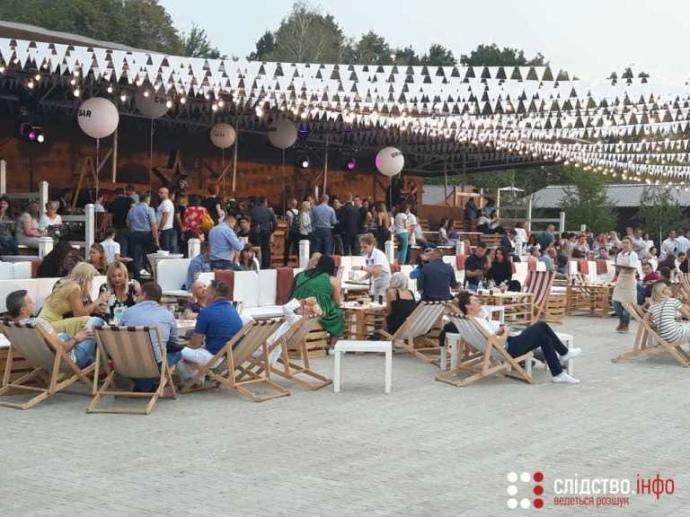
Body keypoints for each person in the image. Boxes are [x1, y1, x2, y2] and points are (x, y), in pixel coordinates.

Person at [455, 291, 581, 384]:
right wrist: (505, 331)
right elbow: (498, 341)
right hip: (510, 349)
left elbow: (488, 339)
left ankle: (558, 373)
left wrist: (500, 330)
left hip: (503, 346)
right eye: (475, 300)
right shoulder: (478, 322)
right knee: (541, 325)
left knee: (544, 337)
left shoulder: (471, 322)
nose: (479, 302)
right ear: (467, 306)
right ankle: (564, 354)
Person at [6, 289, 102, 368]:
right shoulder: (38, 324)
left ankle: (95, 364)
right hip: (68, 361)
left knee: (64, 336)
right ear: (23, 310)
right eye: (30, 302)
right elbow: (62, 349)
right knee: (96, 320)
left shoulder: (11, 326)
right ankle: (100, 364)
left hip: (41, 362)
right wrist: (76, 338)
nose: (33, 303)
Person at [119, 282, 182, 392]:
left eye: (138, 294)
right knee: (177, 353)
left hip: (126, 364)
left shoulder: (127, 312)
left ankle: (143, 384)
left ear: (143, 295)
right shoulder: (167, 315)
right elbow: (174, 341)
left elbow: (119, 335)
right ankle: (146, 385)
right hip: (154, 366)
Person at [177, 280, 244, 378]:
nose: (205, 293)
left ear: (212, 295)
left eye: (206, 291)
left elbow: (194, 345)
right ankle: (199, 375)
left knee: (174, 353)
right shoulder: (232, 309)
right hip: (231, 355)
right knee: (191, 352)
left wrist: (184, 346)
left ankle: (192, 379)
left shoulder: (206, 312)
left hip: (215, 357)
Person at [38, 262, 110, 336]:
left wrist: (95, 307)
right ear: (86, 278)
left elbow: (83, 309)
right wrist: (98, 300)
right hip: (48, 324)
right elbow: (80, 314)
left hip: (45, 323)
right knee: (88, 320)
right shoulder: (74, 288)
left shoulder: (69, 284)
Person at [291, 255, 344, 341]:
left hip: (296, 309)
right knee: (338, 314)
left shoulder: (301, 275)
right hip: (317, 311)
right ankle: (332, 345)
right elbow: (337, 302)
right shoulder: (332, 280)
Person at [127, 193, 158, 280]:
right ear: (147, 200)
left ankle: (137, 277)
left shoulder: (132, 209)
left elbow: (128, 222)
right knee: (150, 255)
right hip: (147, 234)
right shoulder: (149, 209)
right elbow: (153, 225)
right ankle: (152, 274)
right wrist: (156, 239)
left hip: (135, 234)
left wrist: (132, 229)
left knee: (136, 256)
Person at [612, 236, 639, 333]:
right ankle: (622, 320)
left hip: (630, 279)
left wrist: (624, 267)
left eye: (627, 243)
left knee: (628, 304)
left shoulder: (633, 255)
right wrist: (618, 268)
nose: (625, 245)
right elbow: (618, 268)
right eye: (623, 243)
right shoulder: (620, 254)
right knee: (615, 302)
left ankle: (626, 324)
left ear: (631, 245)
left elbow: (633, 267)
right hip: (621, 278)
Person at [359, 233, 392, 299]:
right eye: (361, 247)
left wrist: (362, 268)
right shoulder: (367, 256)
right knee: (375, 302)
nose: (363, 249)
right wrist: (360, 280)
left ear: (372, 245)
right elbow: (370, 273)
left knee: (381, 301)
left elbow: (377, 271)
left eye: (365, 247)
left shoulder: (378, 254)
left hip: (384, 282)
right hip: (376, 282)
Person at [248, 196, 277, 269]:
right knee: (266, 249)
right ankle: (265, 266)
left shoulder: (252, 211)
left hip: (255, 232)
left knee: (255, 248)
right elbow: (275, 223)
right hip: (266, 232)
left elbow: (249, 222)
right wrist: (271, 230)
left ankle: (254, 265)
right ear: (265, 202)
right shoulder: (269, 211)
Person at [110, 187, 134, 258]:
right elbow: (133, 210)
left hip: (116, 226)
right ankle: (124, 261)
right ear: (123, 193)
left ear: (115, 194)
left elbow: (109, 216)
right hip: (126, 226)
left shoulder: (113, 202)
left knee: (116, 246)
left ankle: (117, 260)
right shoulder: (129, 200)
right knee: (125, 245)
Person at [156, 187, 177, 253]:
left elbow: (165, 216)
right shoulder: (164, 202)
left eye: (161, 193)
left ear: (166, 193)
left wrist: (159, 230)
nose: (159, 194)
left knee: (165, 250)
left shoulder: (166, 203)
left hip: (165, 229)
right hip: (166, 229)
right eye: (159, 192)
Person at [283, 198, 300, 265]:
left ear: (290, 204)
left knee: (287, 247)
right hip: (297, 232)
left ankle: (285, 263)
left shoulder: (288, 212)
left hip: (290, 231)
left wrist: (287, 232)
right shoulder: (299, 212)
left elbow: (289, 223)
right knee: (297, 248)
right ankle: (300, 262)